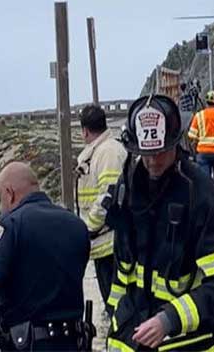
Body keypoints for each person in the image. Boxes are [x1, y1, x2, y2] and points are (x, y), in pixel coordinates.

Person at [104, 95, 214, 351]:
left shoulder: (205, 198)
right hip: (135, 332)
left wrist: (170, 319)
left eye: (161, 151)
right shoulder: (130, 191)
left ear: (176, 144)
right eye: (146, 154)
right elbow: (122, 268)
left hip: (191, 340)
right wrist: (116, 312)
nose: (154, 161)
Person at [0, 162, 90, 351]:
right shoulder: (77, 225)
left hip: (28, 343)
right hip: (73, 342)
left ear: (9, 193)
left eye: (0, 199)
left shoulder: (11, 226)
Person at [76, 104, 127, 313]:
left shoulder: (108, 153)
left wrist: (88, 228)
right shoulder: (101, 151)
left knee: (117, 305)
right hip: (103, 242)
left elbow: (109, 196)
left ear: (85, 130)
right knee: (112, 303)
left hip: (110, 242)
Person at [188, 90, 214, 189]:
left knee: (204, 180)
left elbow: (191, 135)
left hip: (203, 153)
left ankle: (206, 201)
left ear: (206, 102)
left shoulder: (199, 116)